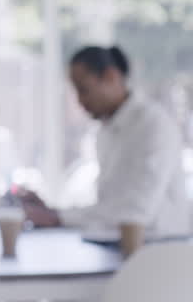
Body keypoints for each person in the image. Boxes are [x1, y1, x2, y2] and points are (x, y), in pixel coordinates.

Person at [20, 46, 190, 239]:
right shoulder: (105, 132)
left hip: (159, 254)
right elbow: (109, 208)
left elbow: (135, 211)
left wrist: (59, 217)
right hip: (118, 246)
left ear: (110, 77)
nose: (80, 101)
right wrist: (53, 213)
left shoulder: (153, 124)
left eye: (84, 90)